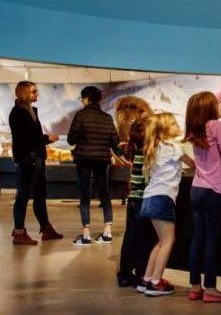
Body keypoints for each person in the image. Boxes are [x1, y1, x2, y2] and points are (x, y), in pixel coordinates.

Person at [183, 79, 221, 303]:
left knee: (197, 238)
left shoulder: (194, 126)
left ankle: (195, 287)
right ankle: (211, 289)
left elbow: (204, 105)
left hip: (197, 189)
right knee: (212, 240)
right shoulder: (215, 126)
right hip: (213, 190)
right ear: (210, 110)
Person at [139, 112, 195, 297]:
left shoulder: (155, 148)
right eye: (173, 123)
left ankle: (147, 279)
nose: (176, 125)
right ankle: (156, 282)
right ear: (164, 129)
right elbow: (192, 164)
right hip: (163, 198)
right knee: (169, 240)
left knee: (161, 241)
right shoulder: (173, 147)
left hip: (149, 198)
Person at [67, 85, 129, 246]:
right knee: (104, 193)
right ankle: (107, 232)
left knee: (85, 195)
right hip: (102, 160)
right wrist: (123, 158)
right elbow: (115, 142)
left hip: (84, 159)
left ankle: (86, 234)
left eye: (82, 98)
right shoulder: (107, 118)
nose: (81, 101)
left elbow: (71, 140)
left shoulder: (80, 115)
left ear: (87, 99)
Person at [9, 80, 63, 245]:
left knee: (39, 195)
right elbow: (28, 138)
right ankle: (19, 232)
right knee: (23, 196)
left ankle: (46, 228)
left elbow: (31, 136)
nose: (37, 94)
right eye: (33, 91)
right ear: (24, 93)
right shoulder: (19, 113)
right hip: (28, 160)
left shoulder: (29, 111)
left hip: (35, 159)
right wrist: (48, 138)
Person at [115, 97, 156, 287]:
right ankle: (141, 275)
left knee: (131, 236)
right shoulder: (146, 154)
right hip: (142, 200)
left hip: (133, 199)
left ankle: (124, 273)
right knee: (143, 239)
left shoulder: (135, 151)